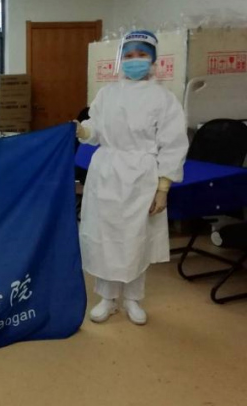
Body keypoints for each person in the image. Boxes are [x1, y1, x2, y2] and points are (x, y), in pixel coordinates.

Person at [76, 30, 188, 326]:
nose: (134, 61)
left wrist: (163, 187)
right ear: (120, 60)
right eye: (128, 55)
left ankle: (133, 299)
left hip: (142, 175)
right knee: (105, 236)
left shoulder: (163, 99)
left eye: (141, 55)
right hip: (106, 172)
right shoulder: (107, 94)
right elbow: (95, 127)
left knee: (136, 238)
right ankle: (107, 298)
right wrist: (83, 131)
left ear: (153, 60)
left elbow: (173, 144)